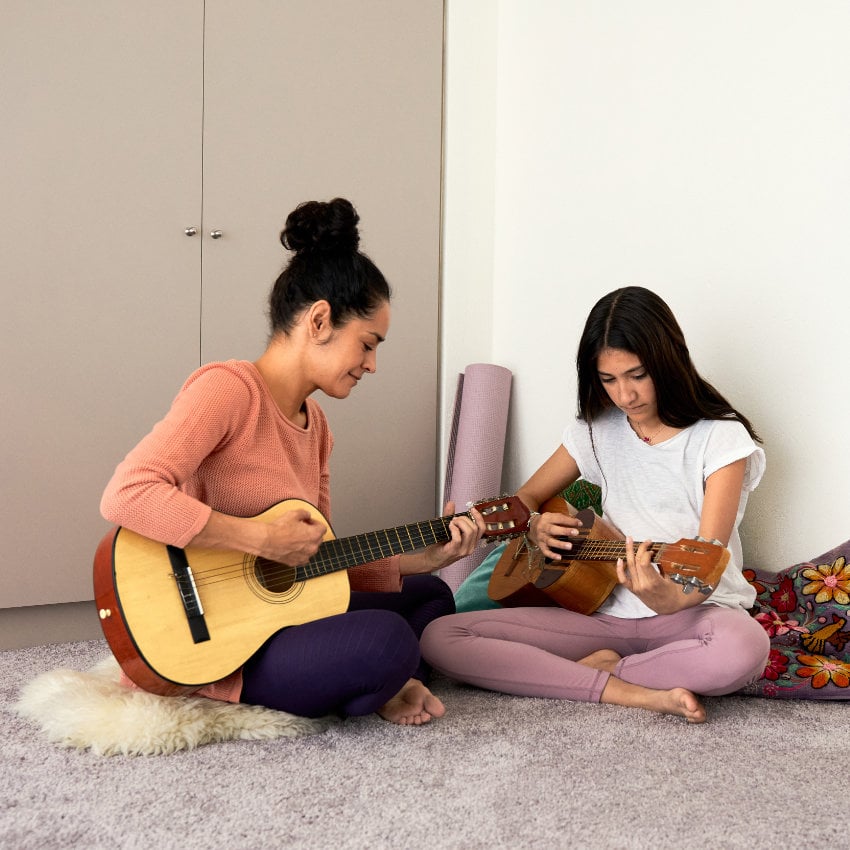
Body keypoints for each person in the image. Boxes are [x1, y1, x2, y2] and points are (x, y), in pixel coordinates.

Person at [101, 197, 484, 726]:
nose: (372, 365)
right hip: (219, 634)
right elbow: (127, 493)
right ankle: (366, 679)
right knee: (388, 642)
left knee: (432, 598)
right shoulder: (227, 390)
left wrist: (427, 558)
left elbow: (317, 560)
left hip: (283, 614)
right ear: (321, 320)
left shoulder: (317, 426)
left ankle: (371, 681)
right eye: (368, 344)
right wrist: (258, 540)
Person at [420, 286, 770, 723]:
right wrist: (534, 525)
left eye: (637, 375)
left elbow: (710, 552)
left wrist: (669, 599)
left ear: (669, 359)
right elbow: (524, 500)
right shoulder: (596, 429)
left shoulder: (720, 438)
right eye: (609, 380)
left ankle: (607, 674)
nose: (625, 396)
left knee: (746, 649)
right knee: (442, 636)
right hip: (603, 612)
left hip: (694, 614)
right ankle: (629, 689)